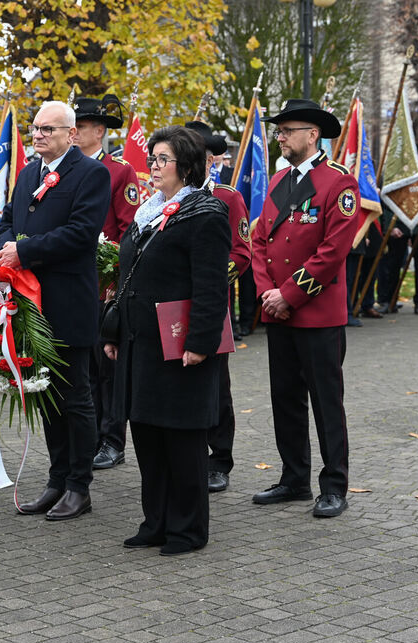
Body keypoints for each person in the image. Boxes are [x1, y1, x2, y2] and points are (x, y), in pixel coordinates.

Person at [102, 125, 231, 555]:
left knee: (182, 439)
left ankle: (187, 529)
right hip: (140, 343)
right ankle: (155, 522)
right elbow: (129, 277)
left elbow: (211, 288)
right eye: (152, 159)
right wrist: (115, 332)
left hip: (179, 347)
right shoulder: (149, 212)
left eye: (162, 159)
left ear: (187, 167)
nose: (153, 167)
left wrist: (200, 342)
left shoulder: (206, 214)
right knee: (148, 436)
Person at [0, 100, 110, 521]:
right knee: (46, 396)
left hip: (68, 302)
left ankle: (80, 486)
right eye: (36, 128)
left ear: (71, 134)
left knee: (74, 397)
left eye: (48, 129)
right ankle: (57, 480)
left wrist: (24, 252)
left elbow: (81, 233)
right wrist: (8, 247)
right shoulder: (29, 173)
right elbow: (8, 221)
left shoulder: (91, 173)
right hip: (30, 305)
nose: (38, 135)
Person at [251, 99, 356, 518]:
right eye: (278, 131)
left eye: (286, 131)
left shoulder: (338, 183)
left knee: (326, 402)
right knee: (285, 399)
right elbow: (260, 242)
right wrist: (267, 294)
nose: (279, 137)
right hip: (278, 311)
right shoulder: (279, 179)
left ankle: (334, 486)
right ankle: (294, 478)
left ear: (312, 135)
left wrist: (288, 295)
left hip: (316, 314)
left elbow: (333, 252)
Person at [71, 94, 140, 472]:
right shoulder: (65, 169)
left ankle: (112, 440)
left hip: (104, 285)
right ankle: (89, 435)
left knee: (107, 369)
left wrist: (117, 279)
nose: (75, 133)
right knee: (82, 369)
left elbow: (129, 230)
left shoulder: (119, 171)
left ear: (99, 131)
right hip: (73, 284)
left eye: (81, 127)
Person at [185, 120, 251, 494]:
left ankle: (219, 458)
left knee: (216, 386)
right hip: (171, 309)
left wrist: (205, 280)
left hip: (211, 308)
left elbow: (241, 253)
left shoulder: (227, 198)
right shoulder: (165, 198)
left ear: (210, 160)